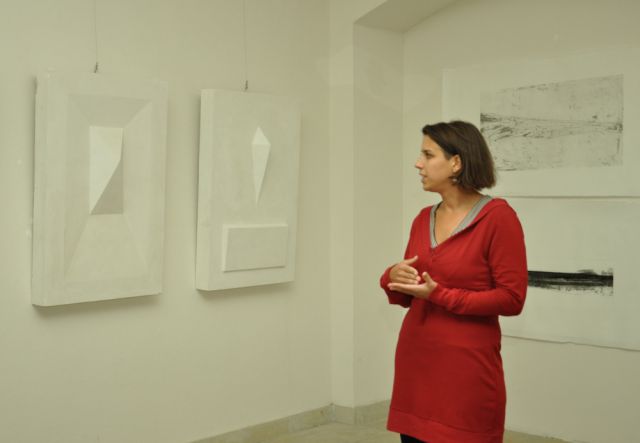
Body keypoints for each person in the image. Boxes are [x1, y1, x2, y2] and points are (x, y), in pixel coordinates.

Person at [380, 121, 528, 443]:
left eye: (428, 155)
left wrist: (441, 295)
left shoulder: (499, 218)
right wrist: (391, 276)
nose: (418, 163)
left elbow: (512, 299)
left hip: (466, 374)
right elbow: (409, 290)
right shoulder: (423, 218)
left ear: (456, 162)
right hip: (416, 366)